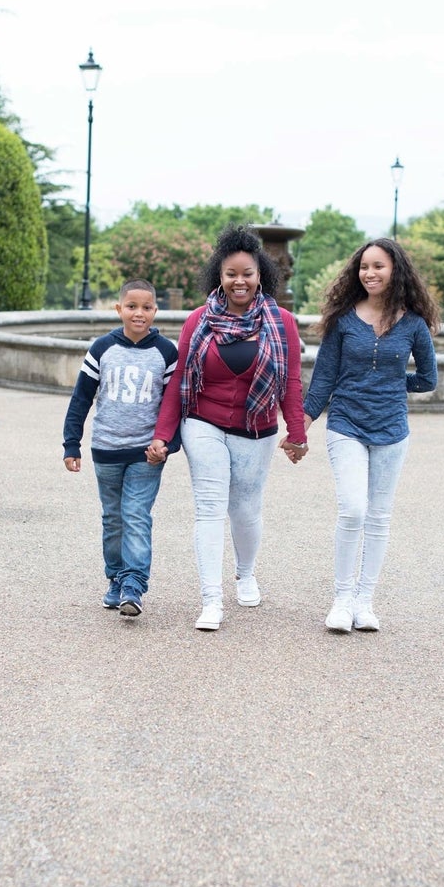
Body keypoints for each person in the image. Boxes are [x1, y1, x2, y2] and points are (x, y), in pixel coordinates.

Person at [148, 225, 307, 632]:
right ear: (219, 275)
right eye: (231, 273)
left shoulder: (282, 321)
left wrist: (297, 432)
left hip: (257, 428)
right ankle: (211, 599)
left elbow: (290, 380)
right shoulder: (199, 320)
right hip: (204, 422)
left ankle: (246, 573)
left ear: (261, 276)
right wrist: (163, 435)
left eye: (247, 273)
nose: (239, 281)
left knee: (246, 510)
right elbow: (180, 380)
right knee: (209, 506)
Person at [299, 237, 440, 634]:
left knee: (379, 517)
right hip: (345, 424)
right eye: (364, 266)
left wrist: (393, 384)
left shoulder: (412, 323)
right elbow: (323, 377)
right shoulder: (343, 320)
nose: (369, 273)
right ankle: (342, 600)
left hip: (392, 431)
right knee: (353, 510)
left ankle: (364, 602)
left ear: (395, 270)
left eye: (378, 266)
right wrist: (302, 425)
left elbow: (428, 378)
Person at [63, 278, 179, 617]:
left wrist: (168, 444)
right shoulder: (102, 349)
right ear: (119, 309)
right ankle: (115, 579)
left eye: (146, 307)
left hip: (147, 454)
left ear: (156, 311)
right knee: (113, 519)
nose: (138, 313)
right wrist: (72, 443)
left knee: (136, 515)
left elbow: (175, 406)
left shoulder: (166, 353)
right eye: (131, 306)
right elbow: (81, 399)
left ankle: (134, 585)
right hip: (106, 451)